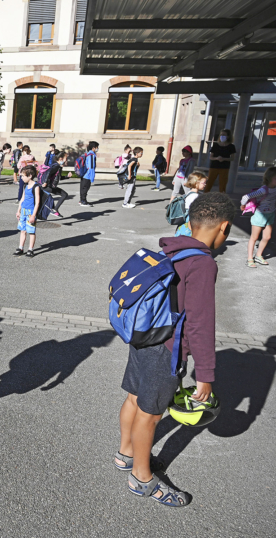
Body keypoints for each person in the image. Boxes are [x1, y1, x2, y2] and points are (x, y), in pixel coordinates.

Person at [115, 192, 236, 507]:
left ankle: (126, 454)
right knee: (151, 414)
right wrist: (205, 376)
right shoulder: (203, 264)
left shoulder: (173, 248)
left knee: (133, 398)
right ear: (224, 227)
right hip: (166, 349)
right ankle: (141, 479)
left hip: (144, 337)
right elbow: (200, 324)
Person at [240, 166, 276, 268]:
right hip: (260, 215)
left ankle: (258, 255)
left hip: (270, 214)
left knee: (267, 237)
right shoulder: (263, 190)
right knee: (254, 237)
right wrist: (242, 205)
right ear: (269, 178)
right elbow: (246, 197)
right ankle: (250, 259)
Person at [14, 166, 40, 258]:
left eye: (23, 176)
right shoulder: (25, 186)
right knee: (22, 230)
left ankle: (30, 249)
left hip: (30, 212)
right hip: (23, 211)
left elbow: (37, 202)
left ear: (30, 176)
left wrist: (33, 215)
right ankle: (20, 248)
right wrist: (18, 210)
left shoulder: (36, 186)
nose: (21, 178)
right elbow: (22, 199)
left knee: (31, 232)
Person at [174, 172, 208, 237]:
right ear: (196, 183)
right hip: (190, 217)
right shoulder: (195, 196)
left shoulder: (189, 192)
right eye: (203, 183)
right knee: (189, 232)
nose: (205, 184)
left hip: (187, 215)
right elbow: (195, 209)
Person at [206, 129, 236, 193]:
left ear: (228, 136)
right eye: (221, 135)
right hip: (214, 166)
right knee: (209, 182)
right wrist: (217, 158)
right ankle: (205, 195)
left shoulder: (231, 146)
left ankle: (222, 198)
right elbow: (211, 157)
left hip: (224, 167)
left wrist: (224, 159)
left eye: (224, 135)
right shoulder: (215, 145)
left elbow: (232, 158)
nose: (222, 136)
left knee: (223, 184)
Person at [41, 150, 68, 217]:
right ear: (61, 158)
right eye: (66, 158)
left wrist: (67, 176)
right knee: (64, 195)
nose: (66, 160)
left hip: (50, 186)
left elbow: (58, 177)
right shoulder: (56, 166)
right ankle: (54, 209)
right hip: (49, 186)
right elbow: (48, 172)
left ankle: (54, 209)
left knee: (64, 195)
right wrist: (45, 182)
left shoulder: (58, 166)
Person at [80, 141, 98, 207]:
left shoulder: (87, 154)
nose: (97, 149)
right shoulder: (91, 155)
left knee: (82, 188)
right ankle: (83, 201)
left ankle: (82, 200)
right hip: (87, 175)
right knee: (85, 188)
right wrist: (92, 177)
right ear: (93, 148)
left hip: (84, 173)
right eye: (97, 147)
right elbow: (91, 167)